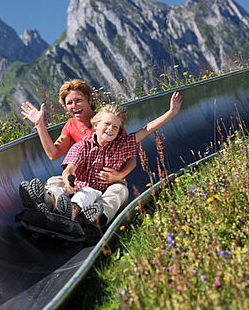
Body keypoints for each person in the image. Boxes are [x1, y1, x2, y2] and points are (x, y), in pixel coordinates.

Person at [22, 92, 182, 229]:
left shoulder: (122, 144)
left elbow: (147, 129)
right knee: (58, 186)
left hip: (97, 190)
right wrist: (68, 181)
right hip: (79, 184)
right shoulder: (84, 146)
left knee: (88, 195)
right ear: (96, 125)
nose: (110, 129)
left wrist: (172, 112)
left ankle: (83, 215)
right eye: (107, 124)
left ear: (119, 131)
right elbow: (69, 169)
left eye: (115, 127)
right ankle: (46, 201)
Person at [20, 79, 136, 211]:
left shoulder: (108, 123)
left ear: (89, 100)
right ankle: (46, 203)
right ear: (66, 107)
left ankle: (94, 215)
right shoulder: (71, 126)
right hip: (82, 180)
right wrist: (39, 125)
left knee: (118, 191)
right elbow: (53, 154)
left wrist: (118, 175)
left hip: (109, 181)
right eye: (69, 103)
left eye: (79, 100)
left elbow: (131, 159)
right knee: (54, 181)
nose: (74, 106)